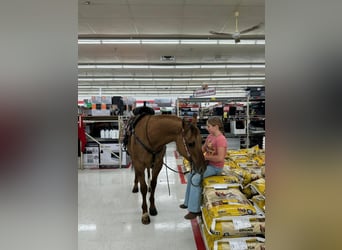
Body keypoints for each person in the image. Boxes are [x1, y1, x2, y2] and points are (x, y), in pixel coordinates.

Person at [180, 116, 227, 220]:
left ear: (216, 126)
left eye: (209, 126)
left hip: (215, 168)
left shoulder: (221, 139)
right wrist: (194, 155)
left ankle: (194, 210)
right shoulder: (210, 136)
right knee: (191, 174)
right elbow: (203, 148)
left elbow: (220, 158)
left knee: (196, 179)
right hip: (208, 165)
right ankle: (187, 202)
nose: (207, 128)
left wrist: (206, 157)